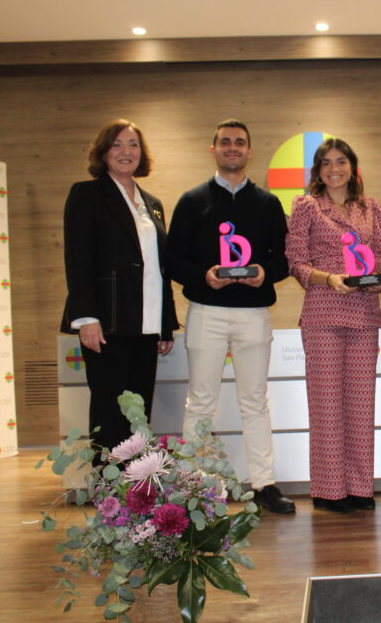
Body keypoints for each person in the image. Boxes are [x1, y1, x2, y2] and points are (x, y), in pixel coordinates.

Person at [166, 119, 295, 515]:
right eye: (225, 142)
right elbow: (172, 259)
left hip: (253, 313)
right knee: (200, 402)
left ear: (249, 150)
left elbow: (284, 259)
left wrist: (264, 274)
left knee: (255, 400)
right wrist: (202, 276)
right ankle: (195, 488)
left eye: (240, 142)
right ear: (213, 149)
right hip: (207, 311)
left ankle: (263, 484)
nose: (232, 147)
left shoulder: (268, 204)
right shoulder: (191, 201)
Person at [60, 119, 177, 453]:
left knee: (139, 411)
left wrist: (166, 324)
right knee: (110, 411)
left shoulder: (152, 203)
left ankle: (138, 488)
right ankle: (109, 490)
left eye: (133, 145)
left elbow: (159, 267)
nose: (126, 152)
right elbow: (77, 259)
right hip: (106, 322)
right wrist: (86, 317)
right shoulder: (87, 194)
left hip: (146, 323)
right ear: (103, 152)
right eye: (117, 145)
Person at [285, 138, 381, 513]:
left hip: (364, 312)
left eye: (341, 161)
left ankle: (361, 487)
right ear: (318, 170)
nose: (334, 169)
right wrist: (329, 279)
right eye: (326, 163)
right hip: (323, 312)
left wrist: (377, 277)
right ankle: (329, 491)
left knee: (362, 405)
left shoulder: (370, 207)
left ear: (352, 166)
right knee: (327, 405)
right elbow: (295, 261)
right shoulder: (307, 206)